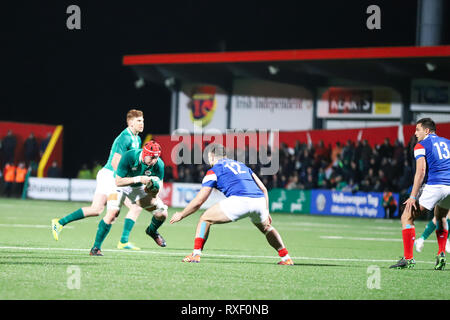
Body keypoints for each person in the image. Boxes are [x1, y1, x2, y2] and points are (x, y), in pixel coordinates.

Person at [170, 143, 294, 265]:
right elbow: (264, 189)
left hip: (240, 201)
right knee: (266, 228)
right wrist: (266, 211)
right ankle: (286, 257)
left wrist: (182, 214)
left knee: (205, 218)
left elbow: (199, 201)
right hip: (259, 201)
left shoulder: (214, 171)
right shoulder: (242, 166)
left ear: (212, 156)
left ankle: (195, 254)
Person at [52, 109, 146, 251]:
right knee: (119, 211)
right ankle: (102, 246)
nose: (142, 123)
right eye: (139, 121)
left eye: (143, 120)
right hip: (111, 176)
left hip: (110, 176)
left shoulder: (137, 139)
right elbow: (116, 163)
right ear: (131, 122)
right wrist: (128, 180)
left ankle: (59, 222)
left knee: (97, 209)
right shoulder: (124, 138)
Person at [390, 118, 450, 270]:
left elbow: (421, 171)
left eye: (418, 130)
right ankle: (441, 253)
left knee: (406, 216)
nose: (415, 133)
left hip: (435, 185)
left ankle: (408, 259)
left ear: (427, 131)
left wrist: (412, 196)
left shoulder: (421, 145)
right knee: (441, 216)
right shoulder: (447, 142)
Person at [89, 140, 168, 256]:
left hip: (138, 188)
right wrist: (140, 179)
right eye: (152, 158)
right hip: (119, 185)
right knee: (112, 214)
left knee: (162, 213)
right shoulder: (130, 156)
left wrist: (153, 191)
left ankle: (152, 231)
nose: (154, 161)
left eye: (156, 158)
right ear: (144, 154)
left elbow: (159, 188)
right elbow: (118, 181)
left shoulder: (159, 164)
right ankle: (96, 248)